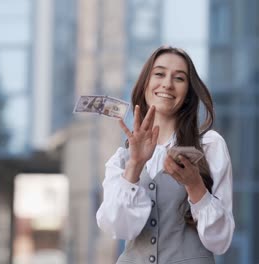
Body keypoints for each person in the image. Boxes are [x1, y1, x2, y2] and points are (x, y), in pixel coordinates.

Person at [96, 45, 234, 264]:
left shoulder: (209, 146)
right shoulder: (122, 159)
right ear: (145, 85)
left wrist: (195, 186)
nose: (167, 84)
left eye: (179, 78)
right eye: (159, 74)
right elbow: (117, 227)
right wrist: (135, 165)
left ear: (188, 93)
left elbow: (221, 241)